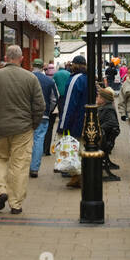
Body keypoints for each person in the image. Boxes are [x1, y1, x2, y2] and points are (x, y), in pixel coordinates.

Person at [0, 46, 45, 215]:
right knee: (19, 165)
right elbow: (40, 106)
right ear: (21, 58)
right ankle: (16, 203)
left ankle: (1, 191)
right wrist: (33, 124)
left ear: (6, 57)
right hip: (23, 128)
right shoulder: (31, 78)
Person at [56, 55, 89, 188]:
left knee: (75, 150)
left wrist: (62, 125)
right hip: (88, 120)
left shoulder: (75, 79)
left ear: (74, 65)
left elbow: (69, 103)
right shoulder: (88, 78)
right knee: (83, 149)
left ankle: (78, 177)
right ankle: (79, 177)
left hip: (76, 122)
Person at [29, 58, 58, 179]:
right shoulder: (49, 81)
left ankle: (21, 166)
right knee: (39, 140)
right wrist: (48, 110)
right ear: (43, 68)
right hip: (43, 114)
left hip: (25, 115)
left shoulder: (25, 78)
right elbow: (54, 99)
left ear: (32, 65)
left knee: (24, 141)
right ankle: (34, 168)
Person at [97, 86, 121, 181]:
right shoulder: (104, 107)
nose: (96, 98)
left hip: (104, 141)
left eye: (98, 96)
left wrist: (99, 128)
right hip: (103, 137)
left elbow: (113, 122)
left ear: (103, 99)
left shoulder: (108, 109)